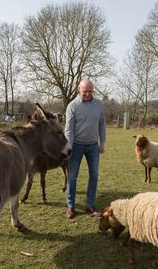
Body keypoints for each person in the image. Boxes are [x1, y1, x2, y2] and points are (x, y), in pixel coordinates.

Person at [64, 79, 106, 219]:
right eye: (84, 91)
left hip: (93, 146)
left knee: (94, 176)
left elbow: (102, 125)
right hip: (76, 146)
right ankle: (70, 207)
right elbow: (69, 130)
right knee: (72, 177)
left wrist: (102, 143)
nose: (87, 94)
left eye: (90, 91)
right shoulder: (72, 106)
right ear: (78, 89)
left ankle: (90, 205)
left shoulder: (99, 105)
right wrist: (68, 148)